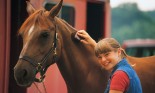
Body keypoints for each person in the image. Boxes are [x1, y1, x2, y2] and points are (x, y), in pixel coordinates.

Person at [76, 30, 142, 93]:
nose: (103, 60)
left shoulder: (119, 75)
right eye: (99, 57)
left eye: (107, 54)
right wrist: (94, 44)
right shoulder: (126, 68)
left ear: (119, 52)